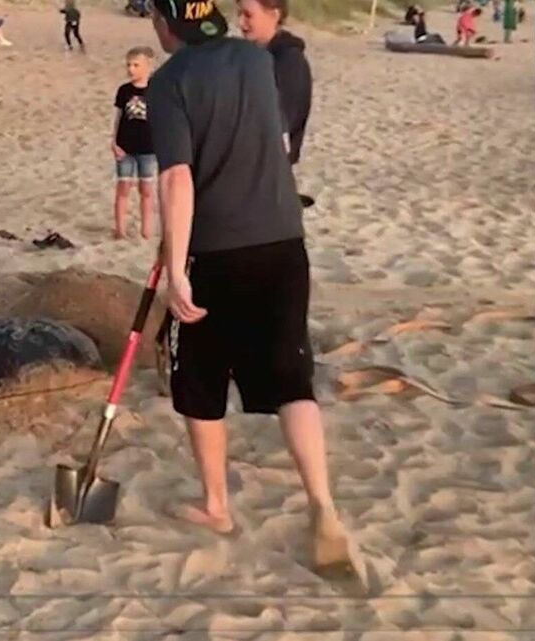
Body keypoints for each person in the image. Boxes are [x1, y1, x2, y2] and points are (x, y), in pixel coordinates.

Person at [145, 0, 352, 573]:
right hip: (284, 241)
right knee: (292, 376)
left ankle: (217, 506)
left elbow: (176, 177)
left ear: (166, 26)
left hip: (218, 248)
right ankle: (323, 505)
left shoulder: (169, 82)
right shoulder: (256, 61)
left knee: (202, 380)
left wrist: (178, 265)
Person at [237, 0, 311, 167]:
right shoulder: (250, 56)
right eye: (239, 14)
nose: (240, 22)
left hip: (269, 170)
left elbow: (281, 125)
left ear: (274, 15)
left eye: (248, 15)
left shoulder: (290, 63)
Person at [111, 46, 158, 240]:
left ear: (148, 66)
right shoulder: (124, 91)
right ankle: (120, 230)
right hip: (125, 147)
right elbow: (119, 116)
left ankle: (146, 230)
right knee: (123, 188)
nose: (131, 69)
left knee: (146, 190)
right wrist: (113, 141)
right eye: (128, 65)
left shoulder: (156, 90)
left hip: (148, 148)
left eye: (136, 65)